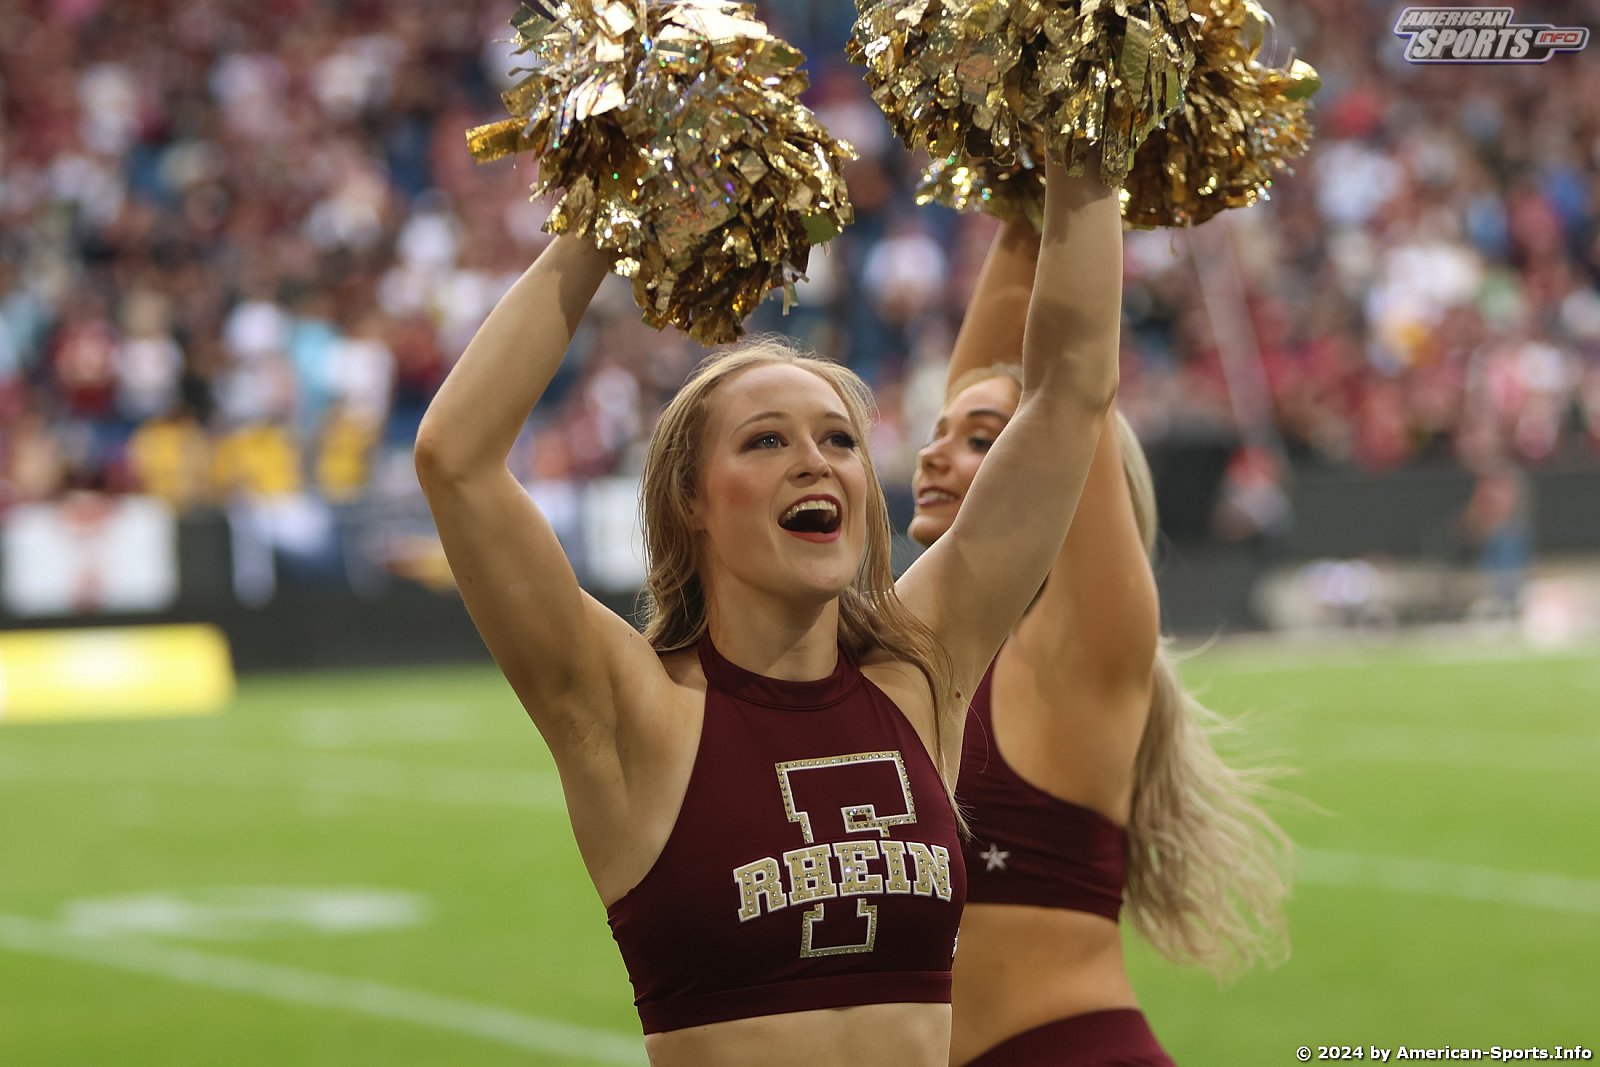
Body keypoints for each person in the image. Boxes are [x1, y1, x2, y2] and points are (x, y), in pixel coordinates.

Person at [412, 163, 1121, 1065]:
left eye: (839, 439)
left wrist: (1085, 138)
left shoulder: (921, 671)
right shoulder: (634, 708)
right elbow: (456, 459)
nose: (815, 462)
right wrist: (607, 205)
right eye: (766, 440)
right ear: (691, 502)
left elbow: (1069, 396)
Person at [911, 220, 1292, 1066]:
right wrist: (1015, 195)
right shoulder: (940, 644)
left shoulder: (1077, 652)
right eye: (938, 431)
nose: (934, 453)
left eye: (980, 440)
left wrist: (1080, 174)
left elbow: (1072, 382)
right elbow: (999, 357)